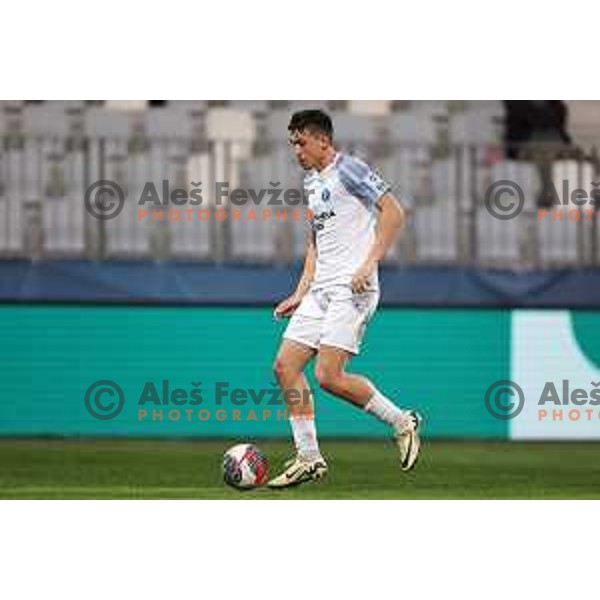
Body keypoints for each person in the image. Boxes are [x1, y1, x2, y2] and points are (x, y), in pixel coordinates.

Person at [268, 109, 422, 488]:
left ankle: (402, 421)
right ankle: (309, 457)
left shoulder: (350, 169)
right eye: (292, 144)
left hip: (353, 288)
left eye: (301, 142)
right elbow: (316, 242)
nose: (297, 150)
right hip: (320, 290)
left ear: (323, 140)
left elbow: (394, 212)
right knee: (285, 367)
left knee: (328, 376)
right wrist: (300, 292)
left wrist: (370, 263)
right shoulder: (310, 183)